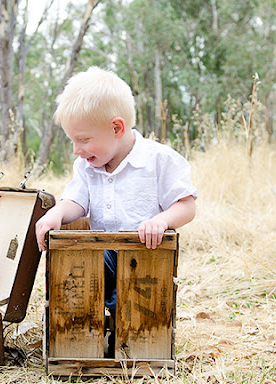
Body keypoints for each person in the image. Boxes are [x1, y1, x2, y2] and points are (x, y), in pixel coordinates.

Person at [35, 66, 197, 325]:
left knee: (133, 300)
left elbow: (186, 206)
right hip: (104, 255)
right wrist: (57, 213)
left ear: (116, 128)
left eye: (83, 139)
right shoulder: (86, 166)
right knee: (81, 262)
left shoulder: (158, 160)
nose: (77, 150)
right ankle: (81, 325)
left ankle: (126, 325)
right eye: (72, 141)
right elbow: (76, 201)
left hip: (146, 255)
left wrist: (162, 220)